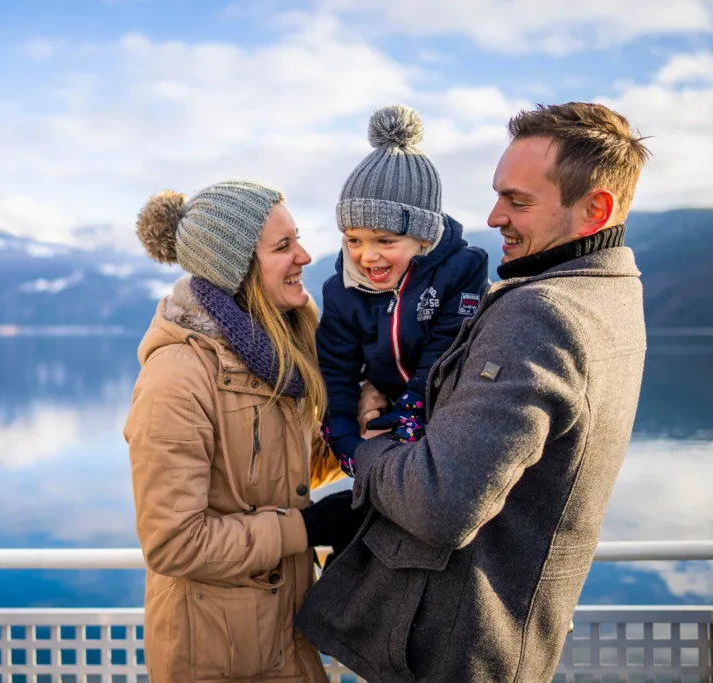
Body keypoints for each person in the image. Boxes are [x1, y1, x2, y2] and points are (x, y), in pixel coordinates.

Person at [296, 102, 651, 682]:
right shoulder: (614, 296)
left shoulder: (540, 314)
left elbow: (440, 504)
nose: (494, 217)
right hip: (506, 633)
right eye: (497, 195)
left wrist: (364, 447)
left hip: (447, 647)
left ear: (595, 210)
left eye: (518, 200)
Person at [124, 180, 358, 683]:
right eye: (282, 247)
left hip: (285, 638)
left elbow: (280, 473)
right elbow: (174, 544)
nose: (304, 255)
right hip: (218, 657)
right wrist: (307, 529)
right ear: (237, 268)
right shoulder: (177, 378)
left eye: (296, 238)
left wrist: (360, 424)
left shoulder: (275, 356)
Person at [317, 104, 489, 476]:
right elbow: (336, 364)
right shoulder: (342, 290)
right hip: (385, 409)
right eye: (354, 240)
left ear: (423, 237)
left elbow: (448, 344)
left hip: (448, 411)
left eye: (385, 240)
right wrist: (343, 429)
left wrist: (414, 405)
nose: (367, 255)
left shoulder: (461, 272)